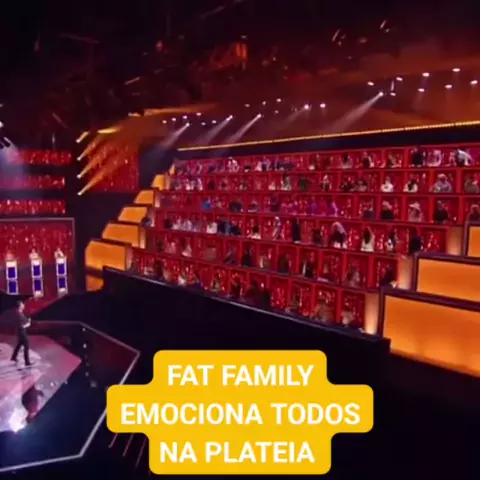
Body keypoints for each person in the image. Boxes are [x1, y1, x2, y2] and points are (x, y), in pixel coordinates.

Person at [9, 301, 32, 366]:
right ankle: (27, 362)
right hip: (22, 332)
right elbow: (21, 325)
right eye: (22, 304)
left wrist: (27, 321)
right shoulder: (19, 314)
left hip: (19, 332)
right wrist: (28, 324)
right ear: (19, 306)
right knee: (26, 346)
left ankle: (14, 357)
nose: (23, 305)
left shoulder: (18, 313)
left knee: (19, 344)